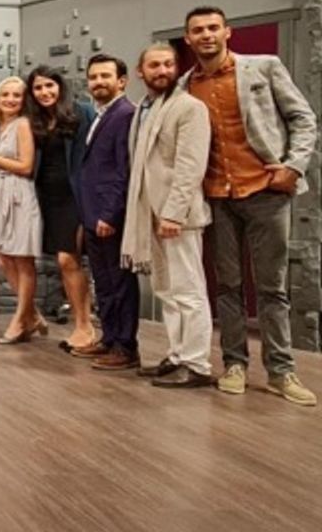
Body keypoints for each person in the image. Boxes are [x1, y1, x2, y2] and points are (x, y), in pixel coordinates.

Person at [179, 6, 318, 405]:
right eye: (198, 30)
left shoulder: (264, 67)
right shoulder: (185, 85)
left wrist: (293, 166)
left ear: (228, 32)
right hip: (218, 198)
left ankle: (281, 371)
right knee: (228, 286)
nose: (206, 35)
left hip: (266, 193)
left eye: (213, 28)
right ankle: (234, 364)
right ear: (188, 39)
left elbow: (303, 118)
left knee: (272, 287)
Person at [122, 43, 214, 389]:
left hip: (178, 217)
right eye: (154, 65)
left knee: (188, 290)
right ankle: (176, 355)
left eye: (168, 65)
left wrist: (174, 213)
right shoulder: (146, 108)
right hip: (151, 212)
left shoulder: (190, 108)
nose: (162, 71)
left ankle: (197, 363)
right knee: (166, 289)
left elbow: (191, 166)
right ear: (140, 71)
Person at [25, 65, 97, 352]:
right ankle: (80, 324)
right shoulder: (36, 120)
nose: (44, 92)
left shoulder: (81, 112)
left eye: (49, 86)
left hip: (74, 197)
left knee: (69, 260)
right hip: (47, 198)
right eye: (38, 88)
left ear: (60, 86)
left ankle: (85, 325)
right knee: (63, 262)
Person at [77, 54, 140, 370]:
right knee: (103, 282)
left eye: (105, 76)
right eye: (93, 77)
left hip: (109, 215)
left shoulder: (125, 114)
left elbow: (122, 170)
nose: (98, 82)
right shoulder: (102, 114)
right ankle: (109, 337)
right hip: (93, 213)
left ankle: (125, 347)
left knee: (119, 282)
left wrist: (110, 214)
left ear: (122, 81)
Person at [0, 77, 45, 344]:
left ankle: (20, 320)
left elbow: (26, 166)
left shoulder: (23, 124)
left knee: (22, 259)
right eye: (6, 94)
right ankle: (31, 314)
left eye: (17, 95)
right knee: (3, 258)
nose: (10, 100)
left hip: (18, 193)